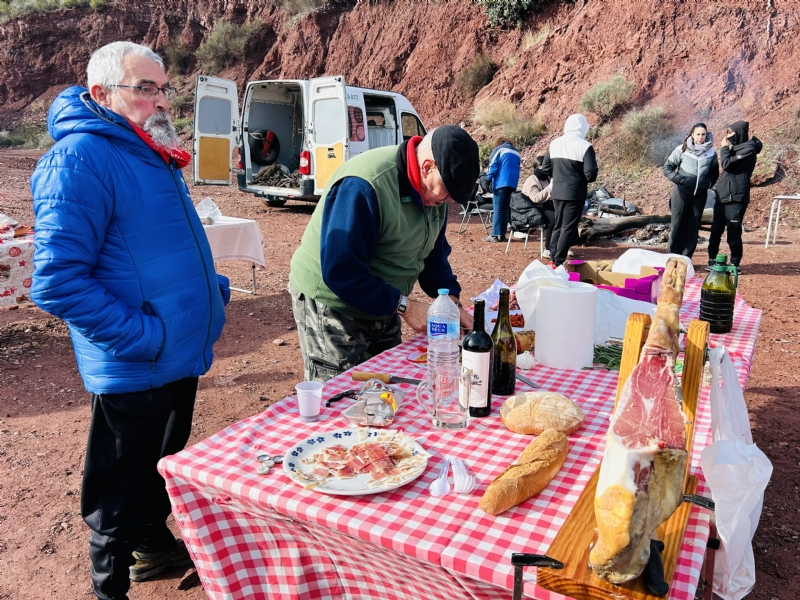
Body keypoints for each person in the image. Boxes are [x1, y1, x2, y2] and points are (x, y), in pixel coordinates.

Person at [29, 41, 230, 600]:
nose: (160, 100)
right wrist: (146, 335)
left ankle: (154, 552)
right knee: (117, 494)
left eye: (164, 88)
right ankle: (108, 588)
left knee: (159, 468)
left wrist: (210, 294)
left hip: (177, 353)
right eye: (145, 88)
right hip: (137, 361)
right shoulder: (80, 158)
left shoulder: (151, 149)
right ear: (101, 94)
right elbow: (58, 281)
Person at [288, 126, 478, 381]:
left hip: (384, 299)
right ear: (427, 167)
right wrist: (406, 306)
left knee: (387, 383)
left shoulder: (433, 195)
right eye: (447, 191)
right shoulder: (365, 185)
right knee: (340, 391)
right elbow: (342, 271)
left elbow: (434, 254)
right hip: (333, 302)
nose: (449, 201)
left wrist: (451, 301)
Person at [540, 114, 598, 266]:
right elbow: (591, 174)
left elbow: (545, 168)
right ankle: (558, 260)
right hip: (575, 192)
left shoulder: (554, 143)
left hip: (557, 191)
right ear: (583, 128)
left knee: (558, 224)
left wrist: (559, 177)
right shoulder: (585, 146)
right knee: (568, 227)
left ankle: (553, 257)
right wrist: (578, 179)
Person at [707, 121, 762, 272]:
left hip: (737, 197)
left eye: (730, 133)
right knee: (716, 229)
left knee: (733, 230)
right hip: (722, 195)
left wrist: (724, 148)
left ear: (739, 133)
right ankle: (712, 259)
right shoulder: (735, 149)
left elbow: (726, 164)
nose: (728, 136)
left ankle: (735, 263)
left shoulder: (749, 150)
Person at [662, 122, 719, 260]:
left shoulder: (711, 152)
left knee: (693, 227)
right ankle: (671, 259)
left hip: (699, 195)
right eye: (698, 134)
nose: (700, 137)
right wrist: (680, 180)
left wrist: (708, 184)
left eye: (703, 134)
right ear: (692, 135)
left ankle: (686, 259)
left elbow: (714, 173)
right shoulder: (682, 149)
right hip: (681, 193)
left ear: (707, 135)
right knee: (677, 224)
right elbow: (667, 168)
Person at [483, 137, 521, 242]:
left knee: (498, 209)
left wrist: (488, 179)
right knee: (505, 209)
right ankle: (502, 235)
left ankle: (495, 235)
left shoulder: (499, 149)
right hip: (512, 184)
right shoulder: (516, 152)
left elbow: (493, 165)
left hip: (501, 182)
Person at [518, 155, 555, 258]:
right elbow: (536, 199)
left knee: (565, 214)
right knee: (554, 220)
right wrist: (550, 187)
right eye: (548, 165)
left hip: (544, 207)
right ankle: (548, 249)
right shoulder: (532, 179)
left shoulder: (547, 178)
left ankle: (567, 245)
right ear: (539, 166)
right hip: (533, 211)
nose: (551, 168)